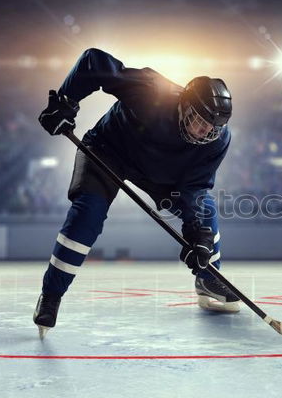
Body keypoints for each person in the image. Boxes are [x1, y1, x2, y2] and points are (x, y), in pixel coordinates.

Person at [32, 48, 238, 339]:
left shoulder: (217, 141)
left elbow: (196, 187)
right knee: (87, 215)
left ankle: (209, 277)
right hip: (108, 151)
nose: (206, 133)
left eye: (214, 128)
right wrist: (66, 101)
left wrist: (199, 235)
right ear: (184, 105)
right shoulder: (152, 91)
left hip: (161, 175)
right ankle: (51, 295)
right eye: (201, 121)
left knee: (206, 216)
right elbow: (94, 62)